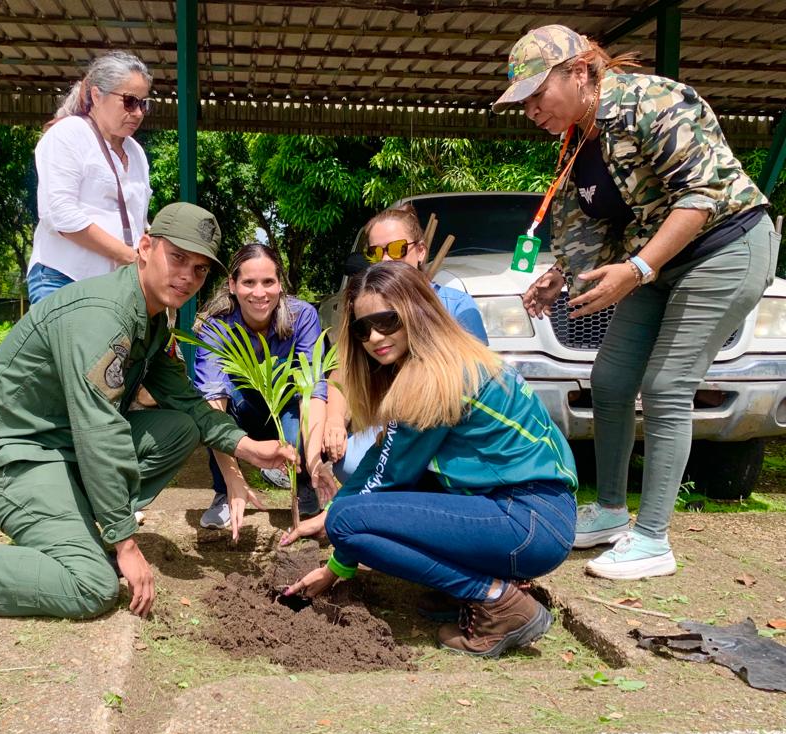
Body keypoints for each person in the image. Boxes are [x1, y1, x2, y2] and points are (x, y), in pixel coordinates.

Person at [0, 203, 297, 635]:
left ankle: (84, 534)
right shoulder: (102, 317)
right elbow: (98, 432)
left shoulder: (151, 316)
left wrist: (247, 447)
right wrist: (125, 541)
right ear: (145, 247)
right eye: (177, 258)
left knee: (178, 430)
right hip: (7, 459)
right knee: (92, 586)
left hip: (56, 451)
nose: (187, 276)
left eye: (200, 269)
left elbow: (187, 403)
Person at [494, 25, 778, 580]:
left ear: (579, 73)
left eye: (535, 95)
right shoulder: (577, 141)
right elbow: (589, 229)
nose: (529, 110)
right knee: (612, 379)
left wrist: (639, 268)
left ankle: (653, 541)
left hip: (727, 246)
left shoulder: (656, 101)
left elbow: (702, 197)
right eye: (521, 102)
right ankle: (610, 512)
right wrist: (560, 276)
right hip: (658, 263)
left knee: (668, 385)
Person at [282, 261, 577, 658]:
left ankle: (496, 600)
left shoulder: (437, 376)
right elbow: (379, 461)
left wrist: (337, 550)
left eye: (386, 321)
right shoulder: (444, 360)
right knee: (351, 512)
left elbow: (388, 479)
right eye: (361, 328)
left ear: (415, 310)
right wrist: (338, 530)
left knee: (347, 520)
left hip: (527, 522)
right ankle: (466, 589)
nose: (373, 337)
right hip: (531, 515)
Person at [314, 204, 489, 481]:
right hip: (391, 424)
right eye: (375, 252)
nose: (386, 259)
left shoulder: (454, 307)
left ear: (420, 251)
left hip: (446, 427)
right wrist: (335, 420)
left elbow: (474, 386)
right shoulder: (364, 307)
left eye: (396, 249)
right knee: (347, 462)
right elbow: (344, 371)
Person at [192, 243, 325, 529]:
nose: (259, 293)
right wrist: (233, 479)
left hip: (287, 408)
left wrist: (313, 463)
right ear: (232, 284)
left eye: (268, 282)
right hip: (241, 411)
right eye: (249, 282)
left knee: (300, 416)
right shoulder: (217, 326)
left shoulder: (302, 317)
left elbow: (311, 392)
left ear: (280, 284)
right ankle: (224, 494)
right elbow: (213, 405)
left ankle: (303, 485)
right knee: (213, 409)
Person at [27, 51, 154, 304]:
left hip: (115, 287)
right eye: (129, 101)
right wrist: (130, 257)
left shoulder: (135, 151)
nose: (138, 112)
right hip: (63, 279)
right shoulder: (69, 134)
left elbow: (138, 220)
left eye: (144, 103)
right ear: (97, 95)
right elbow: (61, 215)